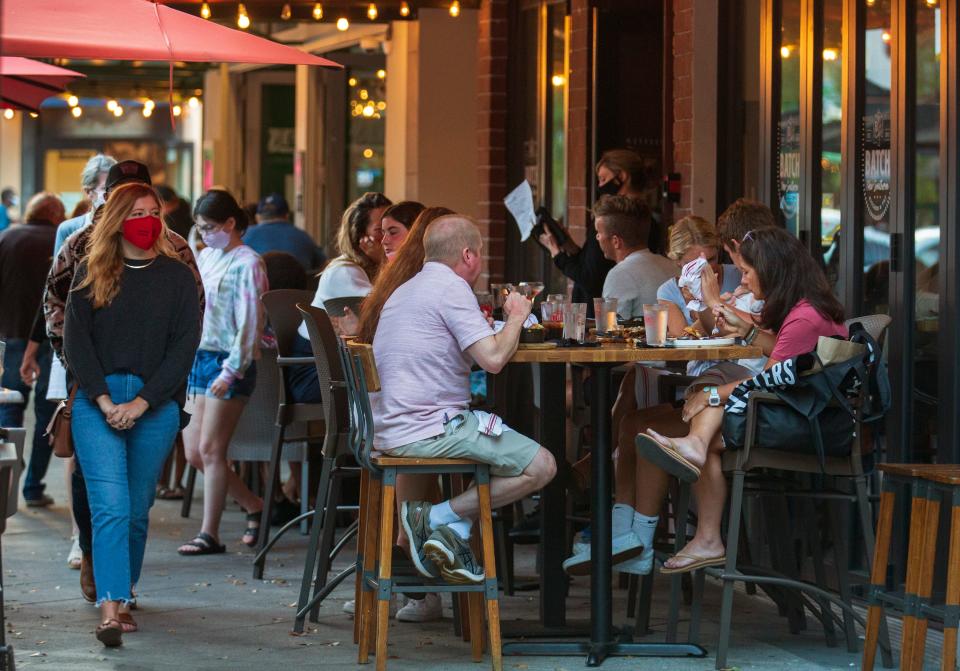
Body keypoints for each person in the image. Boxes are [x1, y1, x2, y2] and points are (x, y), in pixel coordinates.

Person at [625, 227, 846, 575]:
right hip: (788, 412)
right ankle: (702, 531)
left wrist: (712, 394)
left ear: (771, 269)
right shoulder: (802, 308)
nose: (740, 278)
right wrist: (749, 331)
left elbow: (768, 379)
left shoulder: (805, 317)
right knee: (673, 422)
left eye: (745, 271)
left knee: (668, 425)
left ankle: (686, 534)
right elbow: (783, 355)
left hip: (798, 424)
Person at [39, 159, 204, 604]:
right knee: (89, 483)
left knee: (135, 501)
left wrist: (162, 387)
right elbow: (57, 304)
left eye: (146, 201)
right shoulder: (79, 244)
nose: (142, 218)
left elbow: (192, 317)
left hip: (155, 387)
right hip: (91, 382)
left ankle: (119, 584)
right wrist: (78, 369)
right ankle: (95, 560)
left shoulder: (175, 252)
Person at [373, 215, 557, 584]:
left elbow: (469, 351)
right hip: (431, 428)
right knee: (543, 467)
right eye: (482, 255)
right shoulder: (451, 288)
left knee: (510, 456)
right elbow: (492, 361)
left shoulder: (406, 289)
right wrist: (517, 318)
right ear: (469, 254)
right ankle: (438, 518)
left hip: (391, 428)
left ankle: (448, 529)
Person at [19, 154, 117, 569]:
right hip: (72, 351)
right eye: (103, 188)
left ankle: (106, 534)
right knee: (73, 442)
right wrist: (38, 348)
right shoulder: (70, 231)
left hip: (117, 352)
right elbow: (53, 296)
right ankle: (81, 537)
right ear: (89, 190)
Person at [178, 190, 268, 556]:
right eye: (200, 228)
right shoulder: (208, 255)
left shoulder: (249, 263)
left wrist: (233, 370)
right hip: (201, 357)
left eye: (210, 227)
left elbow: (250, 323)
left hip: (230, 360)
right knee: (194, 453)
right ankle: (254, 505)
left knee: (212, 450)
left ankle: (209, 532)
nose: (204, 234)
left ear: (231, 223)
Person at [0, 193, 65, 507]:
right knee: (45, 414)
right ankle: (33, 487)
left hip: (12, 336)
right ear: (56, 214)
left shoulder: (6, 239)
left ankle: (10, 467)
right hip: (53, 340)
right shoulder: (61, 240)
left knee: (10, 404)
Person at [538, 149, 651, 316]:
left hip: (598, 312)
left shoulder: (609, 222)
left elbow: (590, 277)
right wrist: (571, 247)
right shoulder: (649, 219)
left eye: (604, 179)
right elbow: (592, 263)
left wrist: (557, 254)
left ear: (623, 176)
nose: (600, 185)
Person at [300, 192, 391, 338]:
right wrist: (384, 260)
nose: (388, 237)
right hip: (313, 355)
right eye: (381, 230)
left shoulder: (369, 268)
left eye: (393, 229)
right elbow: (386, 306)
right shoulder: (344, 271)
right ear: (360, 236)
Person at [594, 195, 675, 319]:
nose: (597, 237)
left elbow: (610, 332)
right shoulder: (673, 266)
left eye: (599, 232)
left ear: (616, 241)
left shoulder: (619, 275)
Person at [243, 193, 325, 272]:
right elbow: (323, 265)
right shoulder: (304, 237)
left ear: (257, 217)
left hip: (258, 286)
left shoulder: (244, 236)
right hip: (297, 285)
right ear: (287, 215)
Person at [54, 155, 117, 251]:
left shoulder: (129, 226)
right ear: (88, 192)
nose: (114, 194)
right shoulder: (69, 229)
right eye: (106, 189)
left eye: (118, 188)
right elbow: (60, 265)